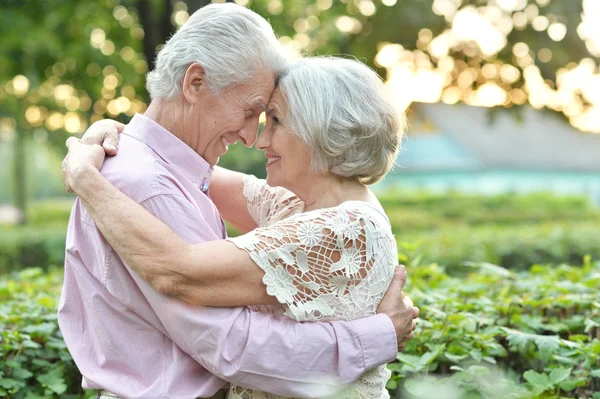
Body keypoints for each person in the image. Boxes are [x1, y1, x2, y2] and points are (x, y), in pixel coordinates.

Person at [58, 4, 418, 399]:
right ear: (195, 83)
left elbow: (185, 267)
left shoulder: (332, 220)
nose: (254, 138)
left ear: (320, 133)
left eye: (271, 120)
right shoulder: (146, 183)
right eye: (253, 113)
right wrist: (380, 335)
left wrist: (93, 165)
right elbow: (227, 338)